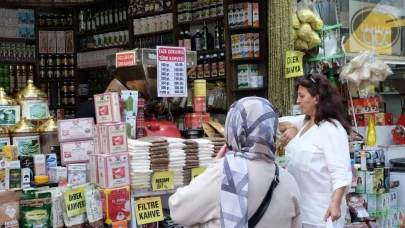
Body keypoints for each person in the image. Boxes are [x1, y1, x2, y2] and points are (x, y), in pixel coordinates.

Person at [169, 97, 302, 228]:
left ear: (233, 128)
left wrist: (213, 168)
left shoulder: (224, 173)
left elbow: (178, 210)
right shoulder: (289, 181)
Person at [278, 74, 352, 228]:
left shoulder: (332, 129)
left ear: (316, 98)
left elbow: (340, 171)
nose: (298, 101)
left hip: (321, 215)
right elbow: (274, 122)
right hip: (300, 211)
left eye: (302, 96)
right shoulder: (304, 122)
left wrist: (336, 203)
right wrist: (291, 127)